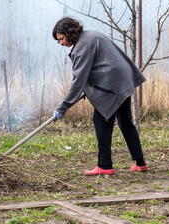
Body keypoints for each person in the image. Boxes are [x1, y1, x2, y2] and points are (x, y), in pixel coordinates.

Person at [51, 16, 148, 176]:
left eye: (61, 39)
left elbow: (78, 79)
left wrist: (62, 107)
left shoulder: (82, 46)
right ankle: (140, 163)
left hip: (112, 84)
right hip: (122, 81)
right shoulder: (91, 35)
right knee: (125, 121)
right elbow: (100, 64)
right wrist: (87, 88)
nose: (61, 43)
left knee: (101, 120)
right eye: (58, 40)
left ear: (69, 33)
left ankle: (104, 166)